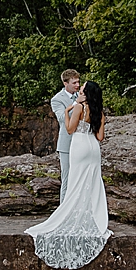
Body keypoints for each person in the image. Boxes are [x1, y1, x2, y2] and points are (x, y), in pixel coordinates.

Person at [28, 80, 111, 268]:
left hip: (80, 146)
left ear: (86, 93)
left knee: (75, 182)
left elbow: (70, 129)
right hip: (93, 147)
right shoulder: (99, 111)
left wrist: (68, 111)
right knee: (93, 182)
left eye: (82, 88)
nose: (79, 89)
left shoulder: (80, 108)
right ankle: (94, 217)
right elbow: (100, 137)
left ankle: (72, 213)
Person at [49, 68, 81, 200]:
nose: (77, 85)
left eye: (78, 82)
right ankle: (63, 212)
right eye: (74, 83)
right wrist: (77, 104)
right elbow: (62, 118)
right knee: (67, 178)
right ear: (65, 83)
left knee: (80, 178)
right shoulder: (57, 99)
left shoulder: (82, 94)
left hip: (81, 141)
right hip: (66, 143)